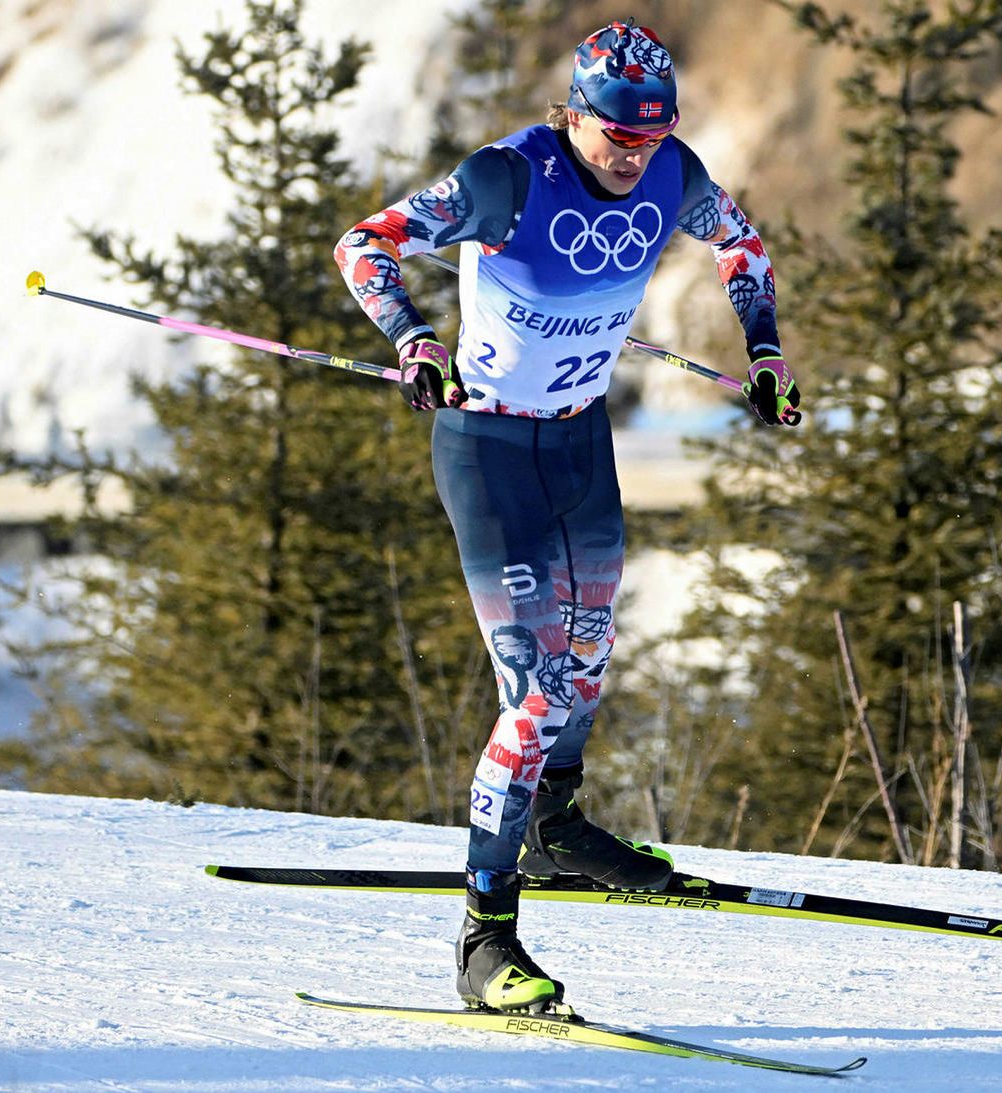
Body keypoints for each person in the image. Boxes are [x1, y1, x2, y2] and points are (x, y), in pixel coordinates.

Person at [334, 20, 801, 1014]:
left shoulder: (673, 173)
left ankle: (553, 822)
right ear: (575, 116)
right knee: (536, 693)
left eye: (651, 137)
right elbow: (364, 244)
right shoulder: (508, 178)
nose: (634, 157)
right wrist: (416, 340)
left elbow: (743, 244)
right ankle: (484, 942)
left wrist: (761, 352)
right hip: (490, 454)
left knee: (588, 663)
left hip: (580, 450)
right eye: (615, 139)